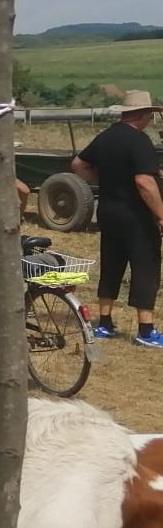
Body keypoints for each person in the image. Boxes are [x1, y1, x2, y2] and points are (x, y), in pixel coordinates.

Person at [71, 89, 163, 347]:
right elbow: (144, 181)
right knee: (145, 267)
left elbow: (78, 165)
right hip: (136, 215)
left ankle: (104, 324)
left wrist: (104, 182)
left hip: (109, 212)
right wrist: (161, 214)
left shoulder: (106, 137)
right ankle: (145, 330)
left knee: (111, 265)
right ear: (144, 115)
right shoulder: (140, 141)